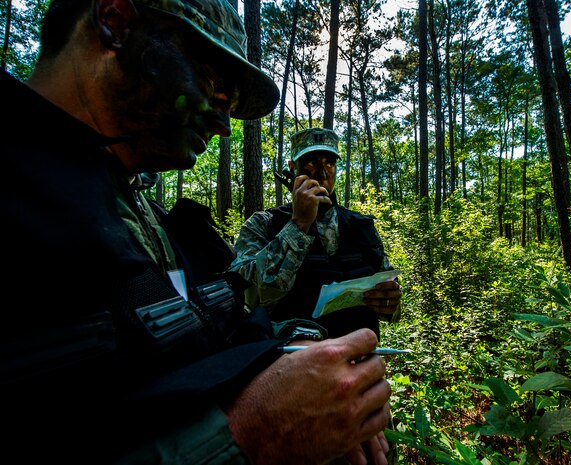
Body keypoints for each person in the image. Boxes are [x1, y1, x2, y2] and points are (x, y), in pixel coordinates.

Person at [0, 1, 393, 464]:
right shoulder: (26, 192)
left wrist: (285, 350)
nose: (224, 126)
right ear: (116, 23)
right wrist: (250, 433)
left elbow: (177, 346)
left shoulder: (136, 209)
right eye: (213, 85)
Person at [229, 128, 403, 339]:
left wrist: (390, 303)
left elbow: (390, 301)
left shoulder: (360, 225)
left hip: (360, 359)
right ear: (293, 168)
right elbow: (246, 298)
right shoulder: (263, 224)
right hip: (292, 359)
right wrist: (299, 224)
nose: (322, 173)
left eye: (329, 163)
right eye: (311, 163)